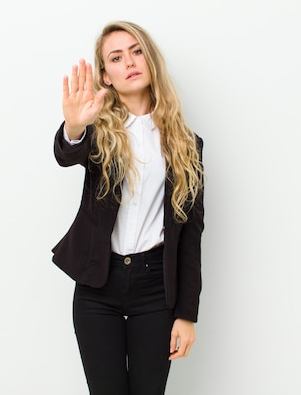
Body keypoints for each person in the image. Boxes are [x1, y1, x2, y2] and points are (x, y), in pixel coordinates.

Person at [51, 21, 205, 395]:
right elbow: (67, 154)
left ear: (150, 60)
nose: (129, 62)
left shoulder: (187, 143)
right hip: (98, 287)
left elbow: (190, 235)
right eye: (116, 58)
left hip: (155, 288)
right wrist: (74, 127)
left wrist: (186, 314)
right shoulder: (98, 132)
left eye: (136, 51)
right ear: (106, 76)